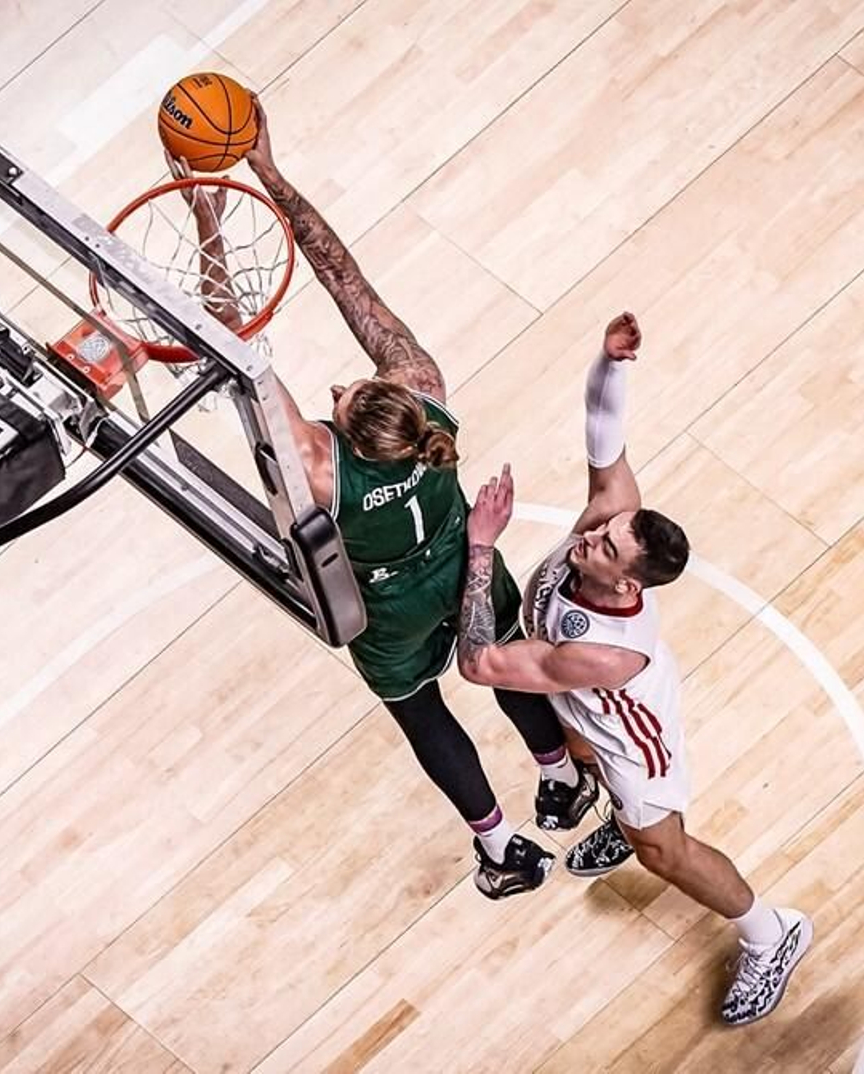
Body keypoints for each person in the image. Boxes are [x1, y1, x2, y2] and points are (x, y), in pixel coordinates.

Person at [178, 104, 601, 898]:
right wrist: (272, 173)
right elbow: (345, 278)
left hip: (389, 603)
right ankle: (559, 777)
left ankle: (504, 845)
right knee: (506, 662)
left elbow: (233, 347)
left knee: (423, 712)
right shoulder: (425, 392)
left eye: (341, 397)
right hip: (462, 553)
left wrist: (210, 215)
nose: (340, 385)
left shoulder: (317, 466)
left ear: (347, 431)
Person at [454, 311, 813, 1025]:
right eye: (601, 529)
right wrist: (611, 363)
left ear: (628, 587)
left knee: (663, 850)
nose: (589, 536)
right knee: (569, 727)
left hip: (636, 743)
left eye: (605, 546)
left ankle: (772, 933)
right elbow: (603, 431)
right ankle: (615, 811)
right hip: (583, 705)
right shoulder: (612, 520)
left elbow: (480, 663)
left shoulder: (603, 651)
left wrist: (481, 546)